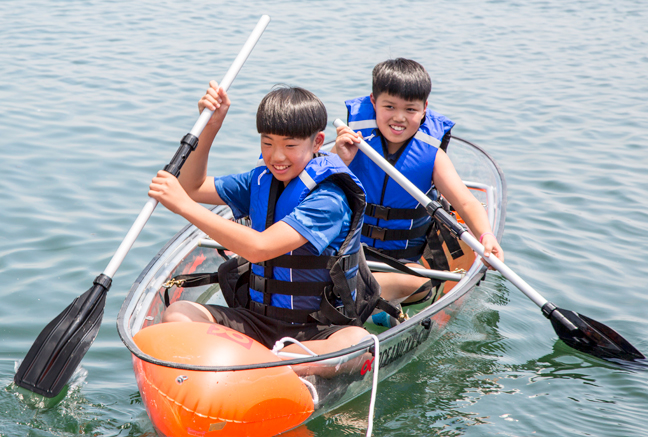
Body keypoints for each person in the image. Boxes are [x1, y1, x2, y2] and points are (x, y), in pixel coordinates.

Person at [148, 83, 378, 356]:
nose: (276, 156)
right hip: (256, 322)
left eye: (290, 145)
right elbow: (193, 187)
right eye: (267, 143)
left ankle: (265, 361)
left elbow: (259, 248)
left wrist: (184, 207)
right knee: (178, 314)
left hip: (316, 330)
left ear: (317, 142)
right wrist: (211, 125)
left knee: (356, 342)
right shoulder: (260, 181)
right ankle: (260, 361)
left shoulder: (330, 199)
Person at [333, 58, 504, 320]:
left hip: (401, 264)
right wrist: (337, 158)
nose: (399, 118)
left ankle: (365, 301)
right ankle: (373, 305)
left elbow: (466, 203)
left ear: (424, 109)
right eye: (389, 106)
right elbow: (309, 190)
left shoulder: (432, 157)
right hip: (350, 253)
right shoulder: (351, 145)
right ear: (373, 103)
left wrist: (486, 237)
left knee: (423, 284)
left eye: (410, 109)